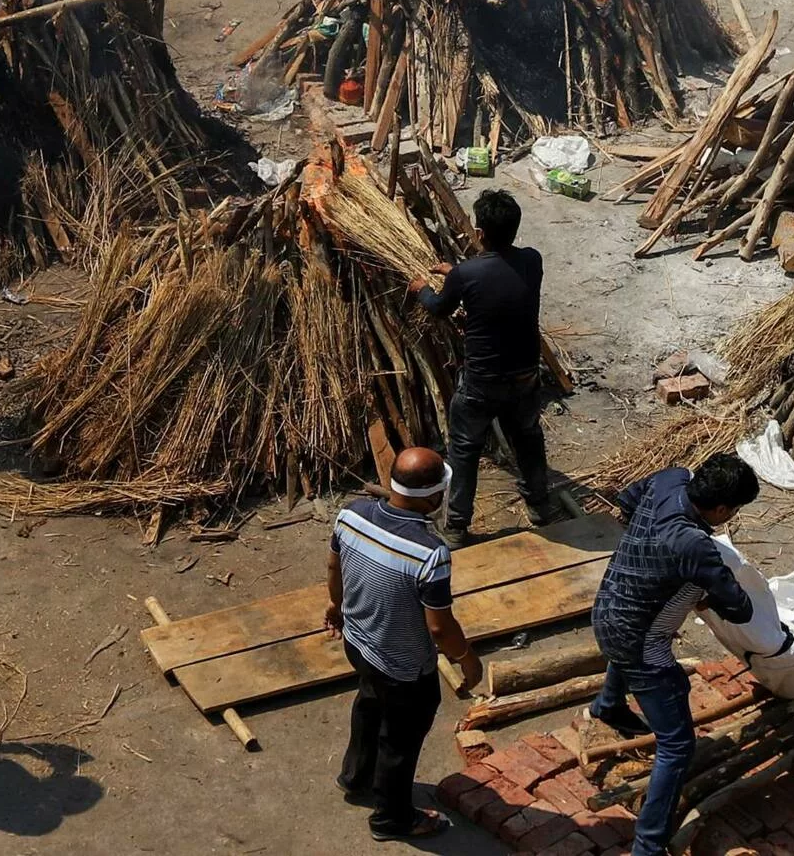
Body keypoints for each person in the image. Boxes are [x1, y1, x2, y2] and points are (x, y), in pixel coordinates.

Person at [588, 455, 759, 856]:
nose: (730, 517)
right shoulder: (693, 544)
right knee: (678, 745)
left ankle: (608, 706)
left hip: (607, 605)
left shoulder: (670, 479)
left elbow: (627, 502)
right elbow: (739, 608)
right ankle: (648, 846)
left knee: (627, 640)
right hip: (641, 647)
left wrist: (647, 557)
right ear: (720, 509)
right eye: (732, 510)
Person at [325, 446, 480, 842]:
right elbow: (439, 629)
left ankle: (355, 777)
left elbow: (333, 566)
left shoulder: (351, 515)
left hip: (358, 643)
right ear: (433, 497)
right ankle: (391, 818)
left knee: (369, 703)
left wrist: (336, 606)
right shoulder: (431, 553)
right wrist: (467, 659)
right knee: (400, 739)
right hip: (405, 668)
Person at [413, 189, 554, 544]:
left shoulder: (466, 275)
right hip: (524, 377)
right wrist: (459, 274)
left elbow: (439, 307)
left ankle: (457, 527)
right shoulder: (532, 261)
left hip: (481, 382)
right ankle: (540, 507)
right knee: (528, 440)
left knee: (464, 449)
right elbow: (494, 278)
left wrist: (422, 289)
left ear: (479, 233)